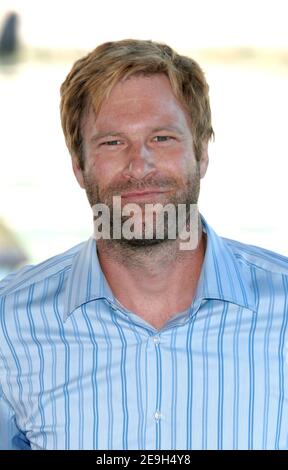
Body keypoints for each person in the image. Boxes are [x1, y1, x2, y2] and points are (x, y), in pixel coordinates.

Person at [0, 39, 288, 451]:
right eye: (112, 142)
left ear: (202, 153)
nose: (139, 166)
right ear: (78, 166)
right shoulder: (8, 328)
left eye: (162, 138)